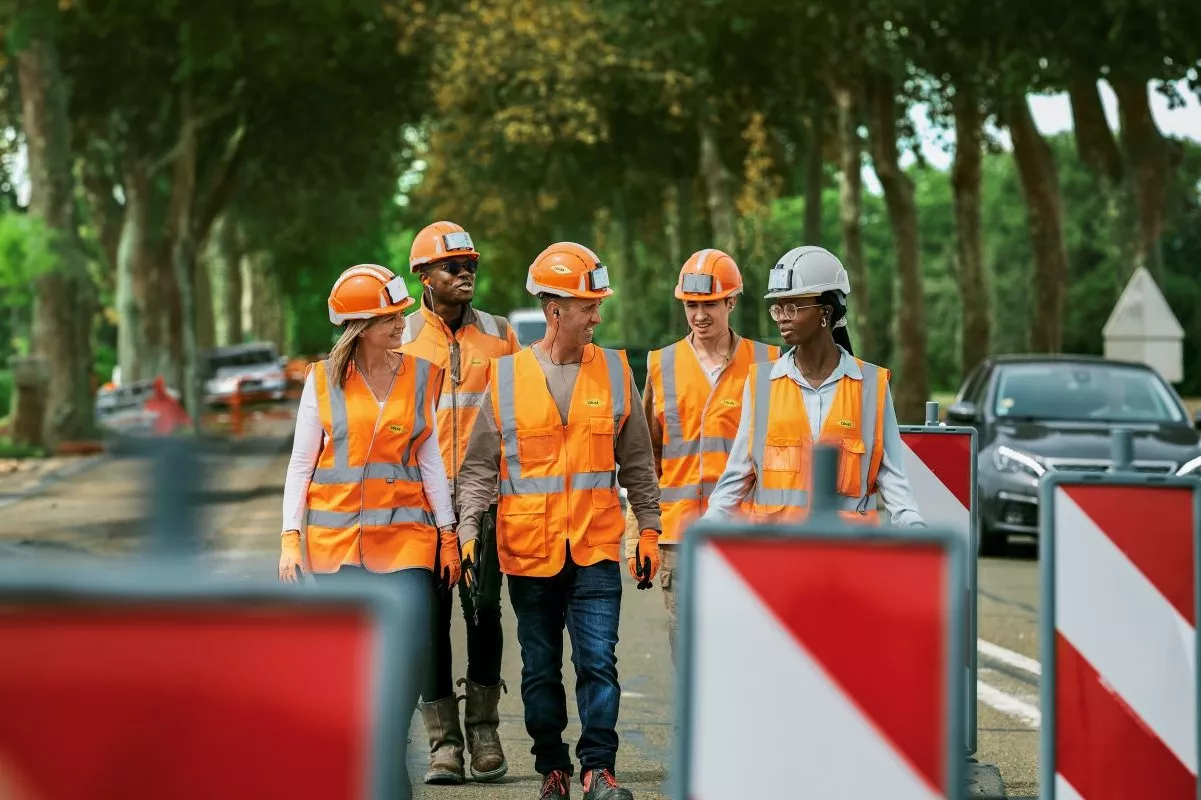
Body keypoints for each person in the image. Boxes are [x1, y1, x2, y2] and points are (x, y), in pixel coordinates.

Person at [455, 242, 662, 800]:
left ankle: (599, 769)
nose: (597, 315)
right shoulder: (505, 380)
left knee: (599, 663)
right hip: (528, 552)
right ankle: (554, 769)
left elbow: (638, 464)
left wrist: (648, 529)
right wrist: (468, 535)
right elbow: (478, 470)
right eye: (588, 305)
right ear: (555, 311)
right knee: (541, 673)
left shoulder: (617, 372)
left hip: (594, 547)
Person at [277, 263, 463, 798]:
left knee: (412, 651)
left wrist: (448, 532)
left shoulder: (422, 375)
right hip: (338, 548)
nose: (402, 323)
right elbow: (300, 465)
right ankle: (365, 761)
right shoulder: (322, 381)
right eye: (390, 318)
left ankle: (385, 748)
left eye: (401, 314)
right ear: (361, 327)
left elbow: (429, 458)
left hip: (407, 540)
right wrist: (291, 535)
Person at [399, 220, 520, 784]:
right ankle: (442, 743)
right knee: (428, 622)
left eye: (471, 264)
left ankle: (484, 730)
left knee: (484, 612)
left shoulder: (499, 335)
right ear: (423, 277)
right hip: (420, 506)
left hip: (484, 502)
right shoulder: (397, 339)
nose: (465, 273)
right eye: (452, 267)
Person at [701, 245, 925, 527]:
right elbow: (737, 476)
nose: (782, 316)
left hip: (848, 556)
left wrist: (914, 526)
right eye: (778, 307)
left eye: (792, 307)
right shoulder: (761, 384)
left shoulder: (871, 386)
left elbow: (893, 478)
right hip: (779, 554)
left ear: (825, 313)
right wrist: (707, 529)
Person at [632, 249, 779, 660]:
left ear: (731, 303)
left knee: (743, 651)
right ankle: (696, 726)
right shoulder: (662, 365)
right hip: (680, 539)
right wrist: (638, 535)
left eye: (709, 305)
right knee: (688, 654)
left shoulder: (768, 365)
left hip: (746, 537)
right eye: (691, 305)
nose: (699, 315)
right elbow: (647, 459)